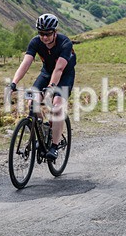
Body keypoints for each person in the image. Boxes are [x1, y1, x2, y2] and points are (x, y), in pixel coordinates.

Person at [9, 13, 76, 161]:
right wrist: (14, 83)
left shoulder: (65, 43)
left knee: (57, 106)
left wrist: (51, 88)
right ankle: (43, 130)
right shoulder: (35, 42)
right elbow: (25, 63)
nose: (44, 37)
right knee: (32, 102)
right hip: (46, 73)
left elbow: (59, 69)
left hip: (64, 75)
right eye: (41, 34)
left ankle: (54, 146)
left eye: (47, 34)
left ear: (55, 32)